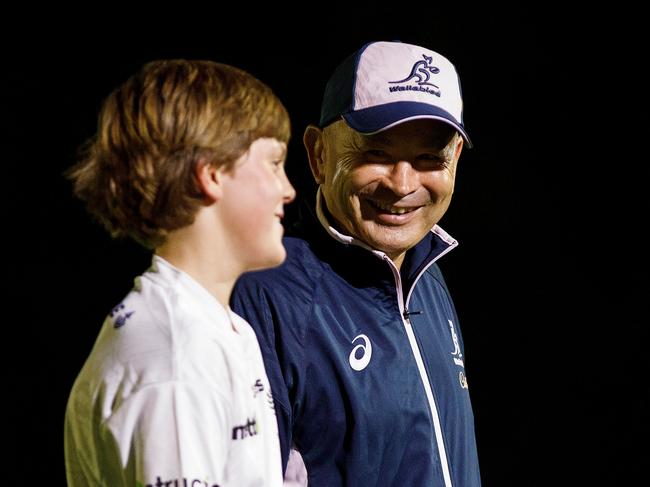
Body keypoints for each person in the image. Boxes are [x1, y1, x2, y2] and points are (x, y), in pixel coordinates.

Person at [231, 40, 481, 486]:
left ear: (455, 159)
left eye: (428, 158)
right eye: (377, 153)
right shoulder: (266, 296)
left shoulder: (428, 270)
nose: (403, 185)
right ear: (318, 155)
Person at [64, 59, 296, 487]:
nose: (289, 189)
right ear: (210, 175)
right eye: (274, 163)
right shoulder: (176, 354)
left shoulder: (225, 330)